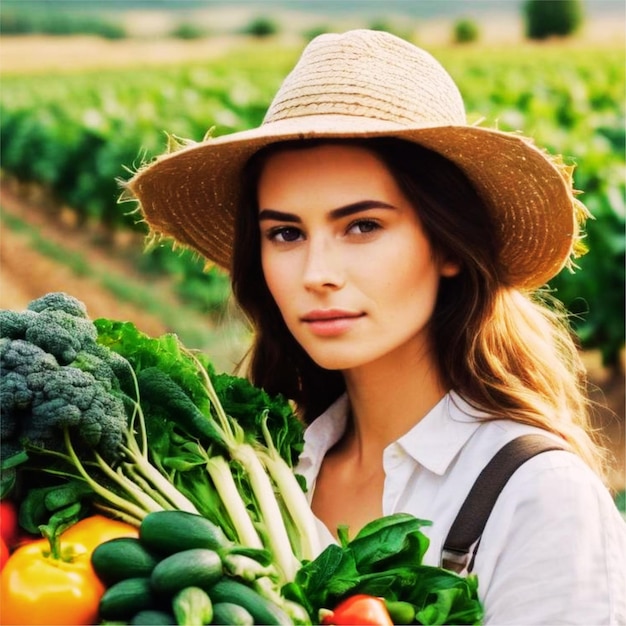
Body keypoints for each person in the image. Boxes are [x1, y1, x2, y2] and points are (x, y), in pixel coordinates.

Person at [126, 29, 626, 624]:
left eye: (362, 226)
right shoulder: (269, 471)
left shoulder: (537, 496)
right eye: (285, 233)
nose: (317, 274)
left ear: (449, 246)